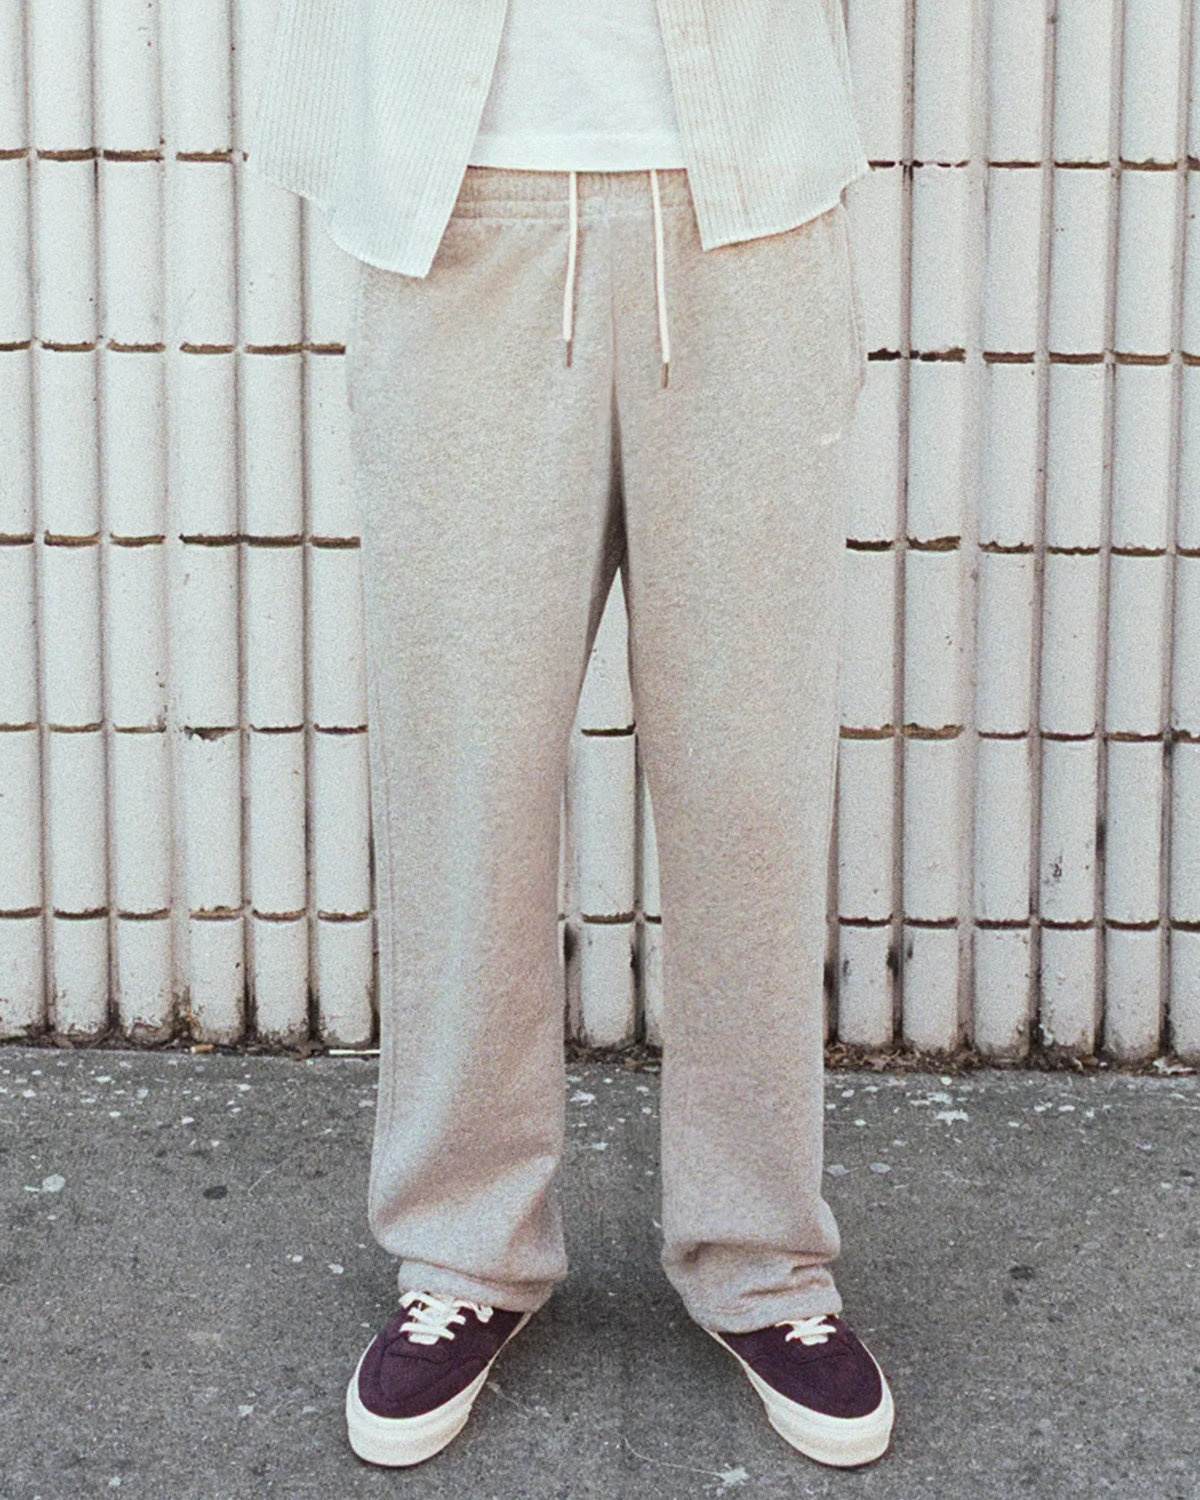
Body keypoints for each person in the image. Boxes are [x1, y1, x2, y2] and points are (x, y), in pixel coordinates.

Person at [247, 0, 893, 1472]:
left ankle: (765, 1259)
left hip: (745, 210)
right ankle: (464, 1251)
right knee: (465, 772)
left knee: (749, 778)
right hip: (460, 209)